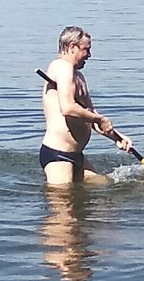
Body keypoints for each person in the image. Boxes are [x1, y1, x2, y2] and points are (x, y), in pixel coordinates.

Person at [38, 25, 138, 187]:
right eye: (86, 49)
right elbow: (68, 108)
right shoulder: (61, 67)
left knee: (105, 191)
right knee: (63, 207)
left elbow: (90, 116)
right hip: (59, 155)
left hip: (77, 155)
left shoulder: (78, 76)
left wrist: (117, 137)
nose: (89, 55)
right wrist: (100, 119)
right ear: (72, 47)